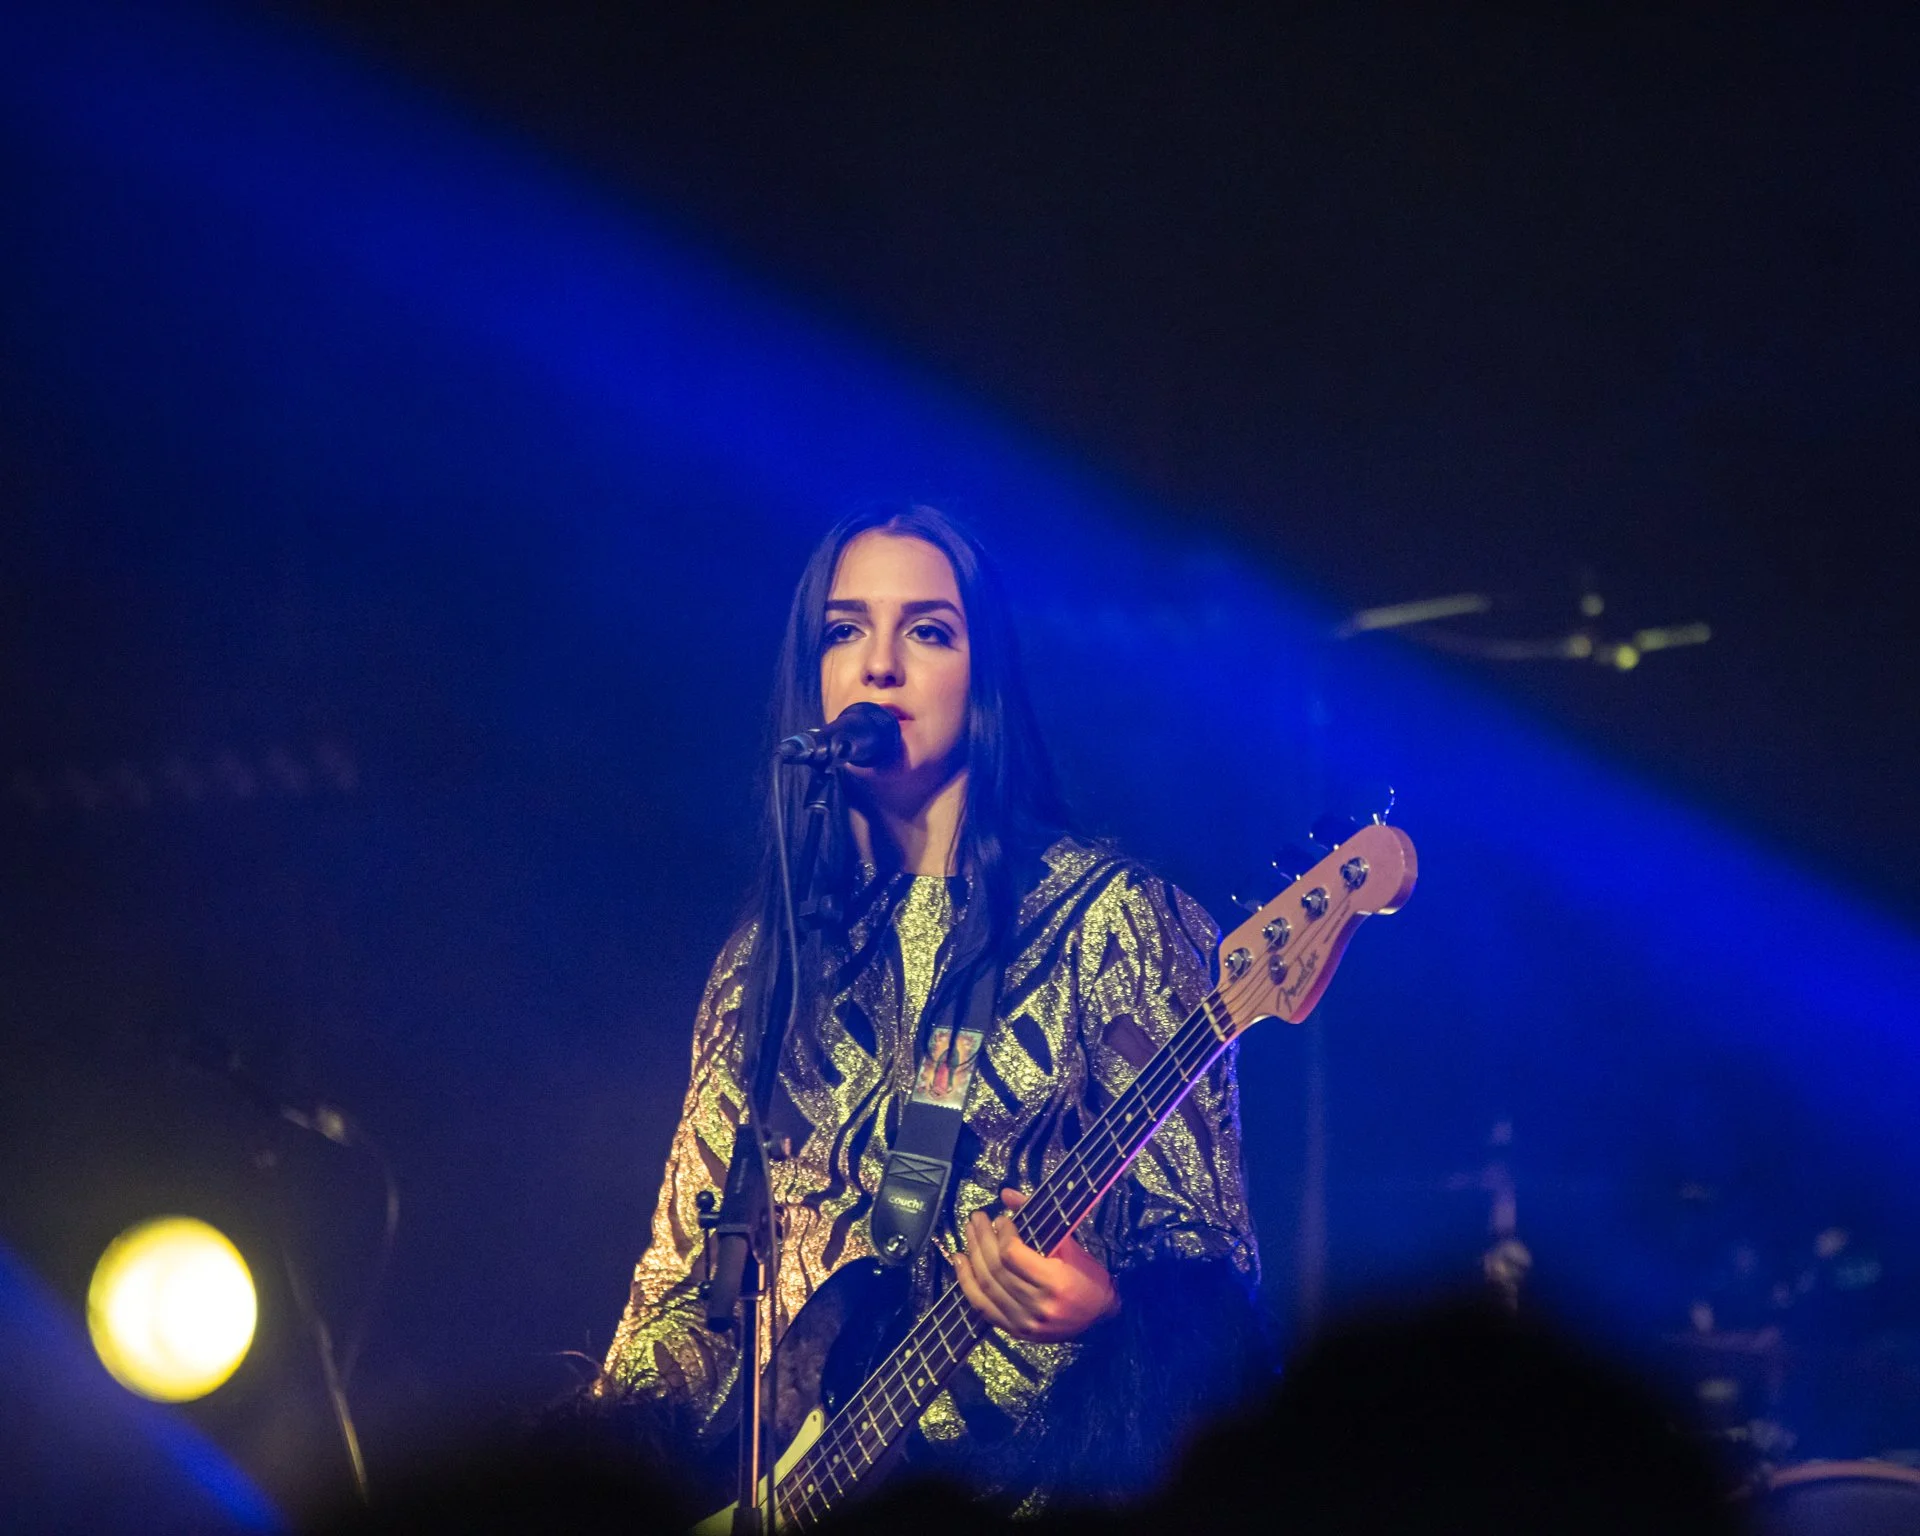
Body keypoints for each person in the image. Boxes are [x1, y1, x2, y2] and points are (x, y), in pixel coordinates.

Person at [592, 505, 1264, 1514]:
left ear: (983, 676)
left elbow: (1213, 1280)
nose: (880, 665)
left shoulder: (1111, 921)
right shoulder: (766, 962)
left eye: (929, 630)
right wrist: (599, 1480)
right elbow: (683, 1290)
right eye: (844, 630)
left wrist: (1108, 1312)